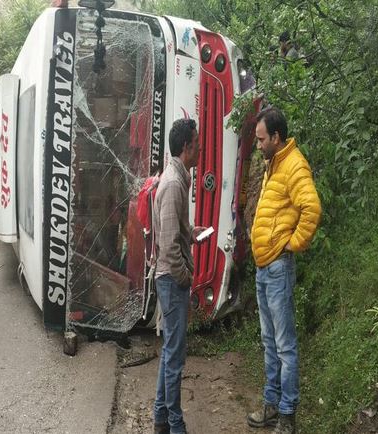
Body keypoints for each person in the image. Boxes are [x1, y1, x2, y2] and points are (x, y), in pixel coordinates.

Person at [247, 107, 321, 434]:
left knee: (285, 344)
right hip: (264, 269)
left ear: (276, 137)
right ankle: (272, 405)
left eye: (262, 139)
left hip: (278, 267)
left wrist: (291, 244)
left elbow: (312, 208)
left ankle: (288, 416)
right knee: (269, 341)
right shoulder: (273, 163)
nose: (258, 144)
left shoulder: (294, 165)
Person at [152, 119, 205, 434]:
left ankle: (161, 418)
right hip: (172, 281)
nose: (199, 148)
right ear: (187, 147)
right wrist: (186, 278)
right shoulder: (173, 183)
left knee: (170, 352)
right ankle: (175, 424)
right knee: (174, 358)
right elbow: (170, 250)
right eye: (197, 143)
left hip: (171, 279)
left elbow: (174, 234)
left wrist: (191, 233)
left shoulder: (176, 178)